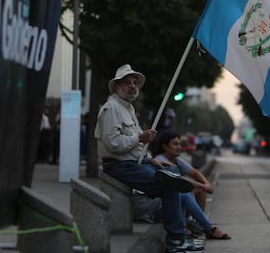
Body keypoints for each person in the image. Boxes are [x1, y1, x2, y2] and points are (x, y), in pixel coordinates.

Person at [94, 64, 204, 252]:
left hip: (132, 163)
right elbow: (113, 143)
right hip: (119, 166)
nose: (132, 86)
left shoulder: (127, 108)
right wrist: (140, 137)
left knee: (172, 173)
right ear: (117, 86)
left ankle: (181, 234)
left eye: (134, 82)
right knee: (169, 184)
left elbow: (136, 148)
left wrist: (151, 160)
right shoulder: (111, 108)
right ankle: (176, 240)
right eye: (127, 82)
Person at [154, 130, 231, 240]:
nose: (179, 147)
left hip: (170, 203)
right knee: (184, 194)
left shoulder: (176, 160)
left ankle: (195, 223)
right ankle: (208, 228)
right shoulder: (160, 161)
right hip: (158, 208)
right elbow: (180, 180)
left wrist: (206, 184)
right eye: (175, 144)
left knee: (197, 191)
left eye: (179, 144)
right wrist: (203, 186)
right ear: (165, 147)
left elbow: (195, 173)